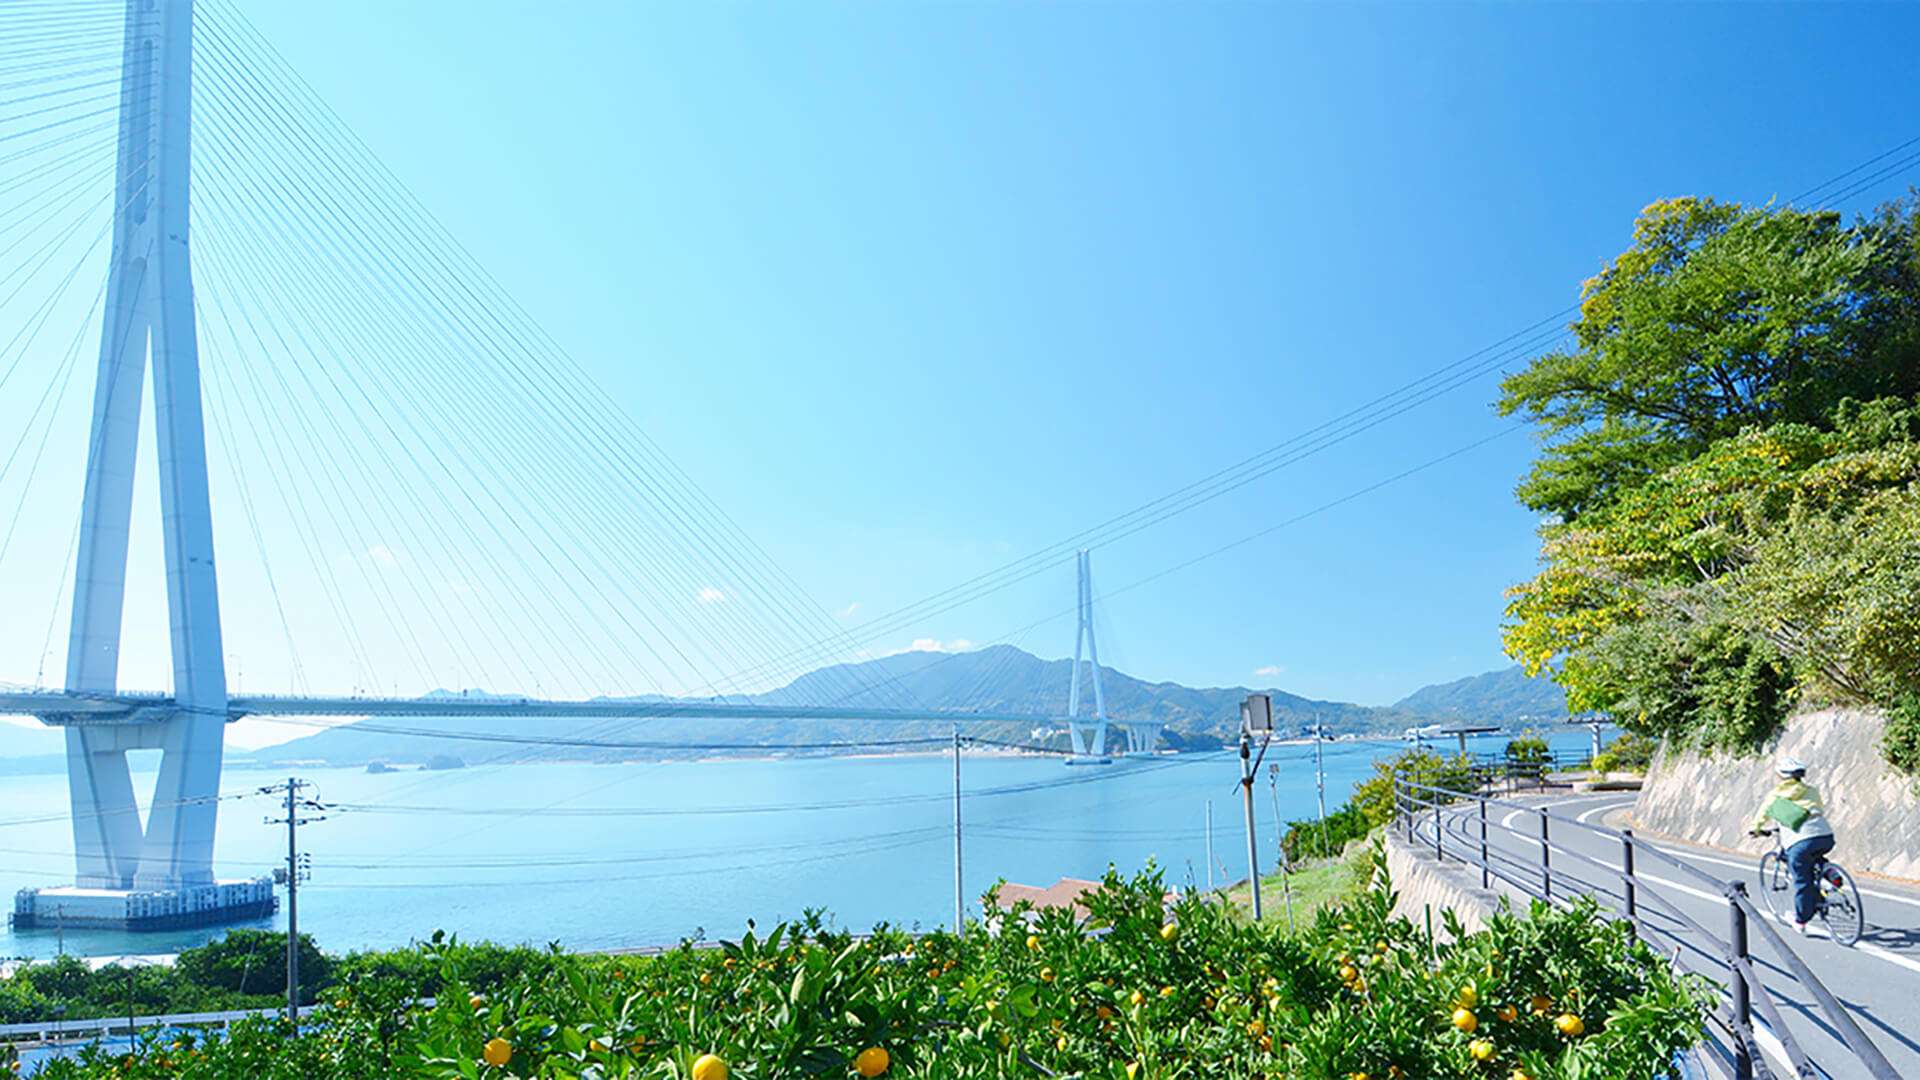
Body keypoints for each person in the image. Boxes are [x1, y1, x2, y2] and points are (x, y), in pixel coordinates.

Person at [1748, 755, 1835, 934]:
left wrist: (1755, 829)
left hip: (1800, 841)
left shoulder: (1775, 795)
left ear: (1781, 776)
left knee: (1802, 880)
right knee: (1814, 856)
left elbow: (1762, 815)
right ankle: (1830, 874)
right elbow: (1819, 808)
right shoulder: (1811, 790)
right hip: (1825, 835)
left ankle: (1801, 920)